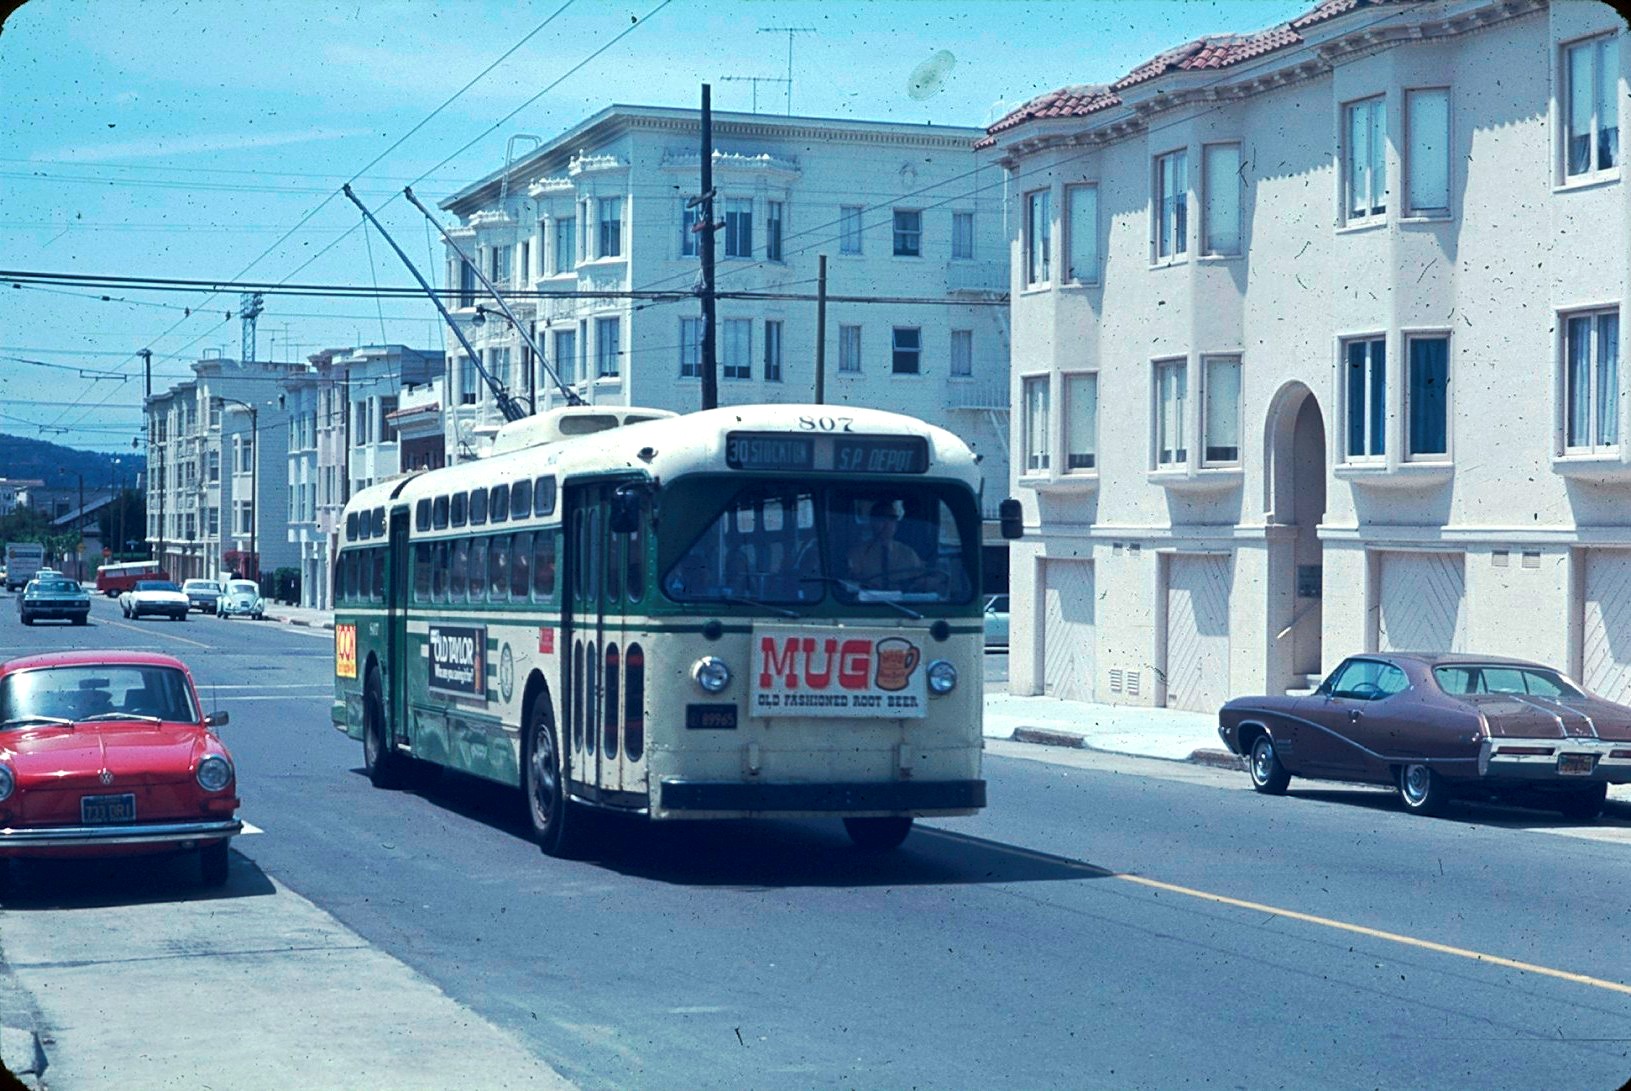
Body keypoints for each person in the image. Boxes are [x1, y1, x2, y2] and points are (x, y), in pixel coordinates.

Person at [845, 500, 924, 589]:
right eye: (881, 519)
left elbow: (920, 580)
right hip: (868, 597)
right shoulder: (858, 553)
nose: (887, 524)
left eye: (892, 519)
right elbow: (852, 581)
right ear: (872, 522)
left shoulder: (908, 553)